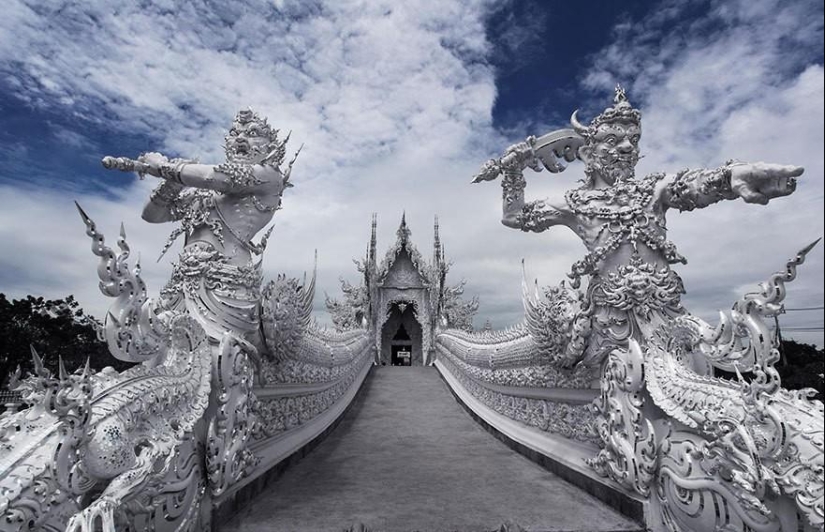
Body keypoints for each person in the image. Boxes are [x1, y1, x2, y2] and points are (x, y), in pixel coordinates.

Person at [474, 86, 802, 367]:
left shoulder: (654, 190)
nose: (628, 148)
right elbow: (514, 216)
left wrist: (731, 176)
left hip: (667, 319)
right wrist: (514, 173)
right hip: (609, 328)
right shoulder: (576, 204)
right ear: (588, 153)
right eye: (614, 140)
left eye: (633, 140)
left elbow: (693, 185)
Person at [103, 108, 299, 343]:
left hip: (227, 286)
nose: (240, 138)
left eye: (252, 133)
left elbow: (214, 176)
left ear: (270, 146)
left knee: (219, 359)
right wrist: (172, 182)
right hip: (181, 285)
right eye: (235, 133)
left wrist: (163, 166)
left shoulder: (268, 177)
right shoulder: (204, 194)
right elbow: (152, 214)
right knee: (158, 351)